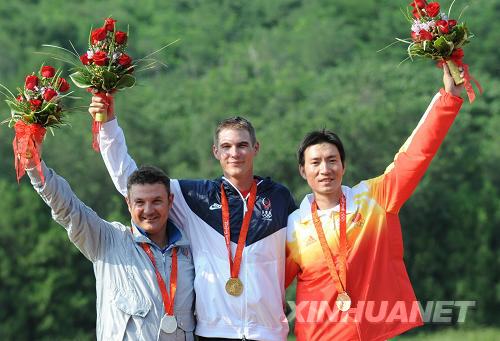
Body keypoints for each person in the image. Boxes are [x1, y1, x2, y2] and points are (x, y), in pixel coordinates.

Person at [88, 96, 296, 340]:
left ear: (255, 148)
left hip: (268, 333)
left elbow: (307, 247)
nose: (235, 153)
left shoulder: (279, 197)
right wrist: (109, 124)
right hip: (213, 333)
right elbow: (132, 182)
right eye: (226, 147)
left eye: (242, 145)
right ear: (216, 152)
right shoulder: (195, 197)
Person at [285, 64, 465, 340]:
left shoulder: (372, 199)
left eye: (332, 161)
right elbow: (268, 284)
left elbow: (415, 155)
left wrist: (448, 98)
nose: (325, 170)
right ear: (303, 171)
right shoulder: (293, 227)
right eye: (316, 163)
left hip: (371, 332)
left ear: (343, 166)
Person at [25, 152, 196, 340]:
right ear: (128, 203)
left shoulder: (191, 252)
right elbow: (68, 208)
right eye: (140, 202)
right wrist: (34, 165)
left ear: (170, 201)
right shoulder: (107, 241)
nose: (148, 210)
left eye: (156, 201)